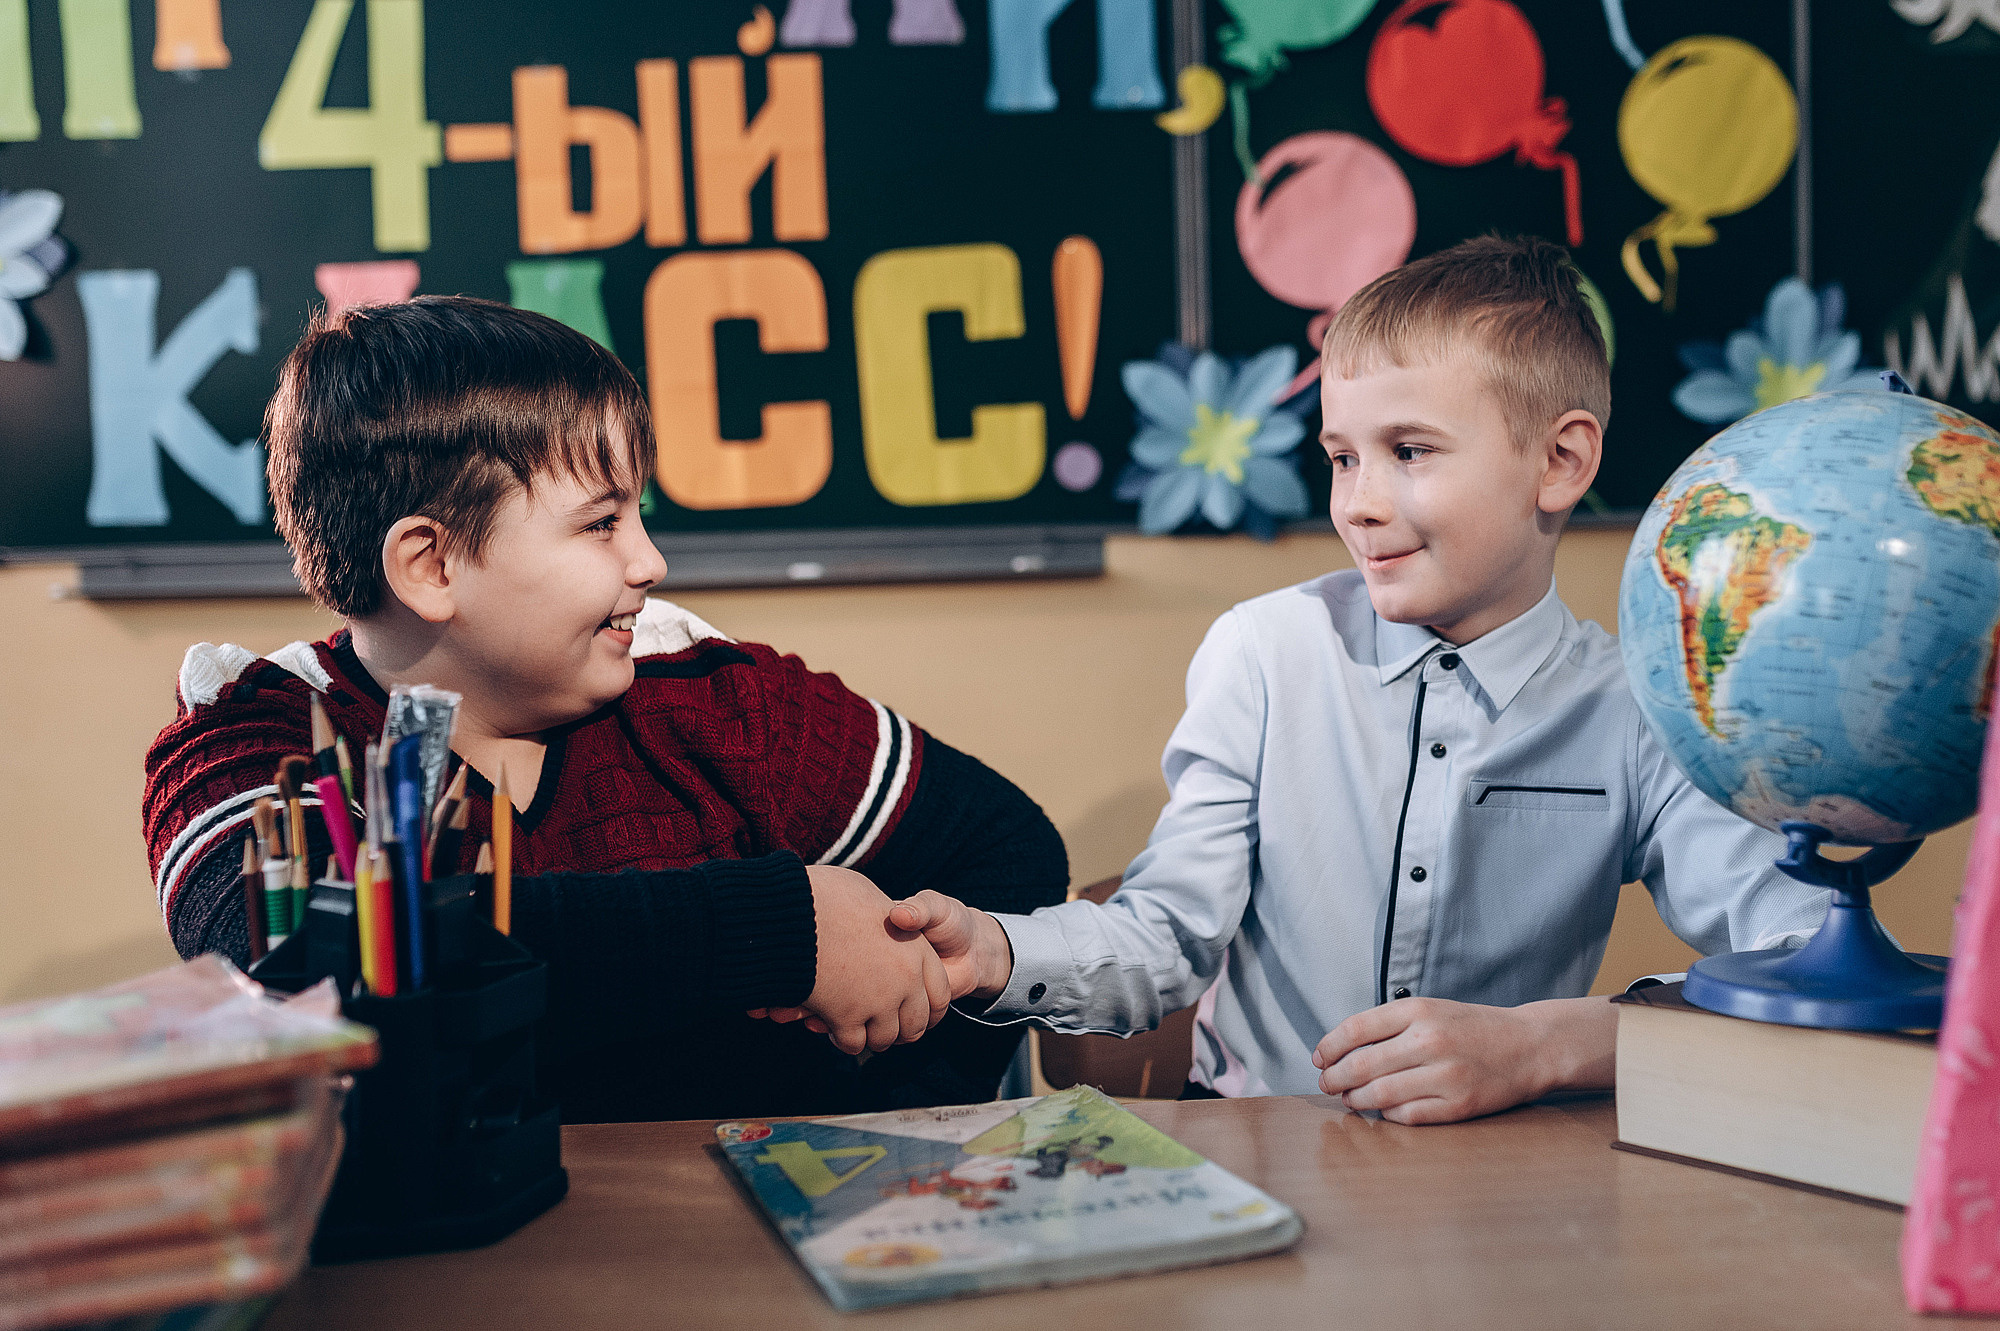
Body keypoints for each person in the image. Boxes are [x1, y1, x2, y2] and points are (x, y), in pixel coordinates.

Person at [874, 235, 1831, 1124]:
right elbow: (1164, 938)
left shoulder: (1635, 709)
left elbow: (1804, 959)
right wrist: (996, 949)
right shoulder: (1264, 653)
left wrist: (1548, 1043)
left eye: (1409, 452)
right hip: (1257, 1143)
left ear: (1560, 460)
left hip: (1495, 1171)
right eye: (1341, 458)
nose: (1360, 505)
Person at [143, 296, 1066, 1122]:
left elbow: (1008, 846)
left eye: (639, 515)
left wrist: (881, 1115)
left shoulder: (711, 694)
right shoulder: (250, 736)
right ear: (430, 565)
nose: (651, 560)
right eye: (601, 522)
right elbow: (301, 965)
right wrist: (786, 929)